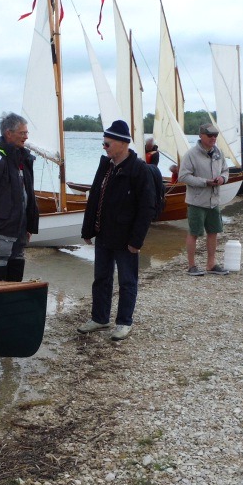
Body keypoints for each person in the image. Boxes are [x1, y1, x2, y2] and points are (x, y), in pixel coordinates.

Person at [77, 120, 155, 341]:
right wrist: (88, 229)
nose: (104, 147)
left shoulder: (139, 169)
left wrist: (136, 240)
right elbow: (95, 199)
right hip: (104, 234)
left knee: (127, 281)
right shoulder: (106, 166)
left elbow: (147, 207)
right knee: (101, 278)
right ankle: (100, 318)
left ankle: (124, 322)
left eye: (107, 143)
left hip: (126, 237)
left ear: (122, 143)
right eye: (103, 143)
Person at [0, 112, 39, 282]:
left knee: (15, 280)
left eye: (26, 133)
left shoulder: (23, 158)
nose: (26, 137)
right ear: (8, 133)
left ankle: (11, 308)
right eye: (22, 133)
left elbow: (28, 196)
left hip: (19, 234)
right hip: (0, 235)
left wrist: (29, 226)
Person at [180, 122, 231, 276]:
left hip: (214, 200)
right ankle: (191, 266)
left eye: (215, 135)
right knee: (194, 232)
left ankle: (211, 264)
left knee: (214, 231)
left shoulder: (218, 152)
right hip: (196, 201)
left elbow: (226, 170)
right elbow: (183, 176)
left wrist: (222, 178)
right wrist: (205, 182)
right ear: (201, 135)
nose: (213, 138)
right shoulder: (190, 154)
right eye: (210, 135)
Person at [143, 137, 166, 221]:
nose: (148, 147)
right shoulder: (142, 149)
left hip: (151, 172)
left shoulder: (155, 153)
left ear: (152, 146)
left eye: (149, 146)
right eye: (147, 146)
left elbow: (154, 165)